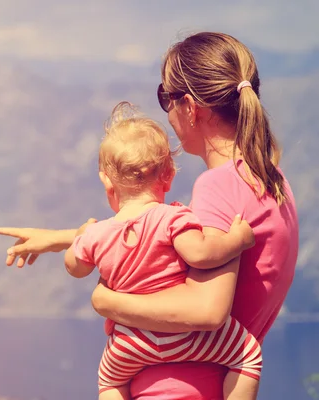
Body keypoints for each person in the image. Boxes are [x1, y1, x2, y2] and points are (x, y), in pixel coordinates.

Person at [0, 31, 299, 399]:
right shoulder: (271, 179)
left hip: (179, 389)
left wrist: (108, 302)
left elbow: (206, 310)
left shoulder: (218, 185)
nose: (166, 113)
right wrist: (64, 238)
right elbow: (158, 233)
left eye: (164, 97)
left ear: (189, 107)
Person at [64, 101, 260, 400]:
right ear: (168, 174)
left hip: (129, 343)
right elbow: (201, 254)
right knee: (247, 355)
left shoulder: (96, 233)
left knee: (109, 382)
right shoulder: (172, 217)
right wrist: (239, 240)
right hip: (184, 336)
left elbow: (75, 268)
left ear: (107, 181)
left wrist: (79, 237)